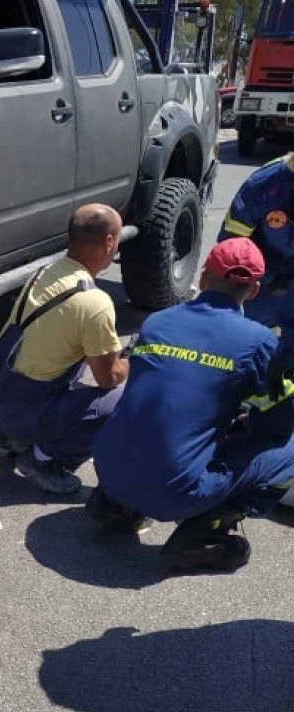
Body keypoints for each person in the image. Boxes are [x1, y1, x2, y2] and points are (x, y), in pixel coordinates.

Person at [90, 238, 294, 573]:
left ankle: (117, 506)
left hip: (109, 469)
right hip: (171, 493)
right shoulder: (259, 342)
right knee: (287, 450)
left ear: (203, 278)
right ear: (254, 291)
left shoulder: (157, 321)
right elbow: (278, 424)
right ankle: (202, 534)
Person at [0, 203, 128, 495]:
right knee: (122, 400)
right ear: (109, 241)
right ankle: (41, 459)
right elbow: (108, 378)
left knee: (67, 357)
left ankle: (15, 436)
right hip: (23, 409)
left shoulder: (45, 272)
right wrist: (131, 361)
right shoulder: (94, 303)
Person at [217, 150, 294, 339]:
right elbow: (231, 250)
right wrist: (264, 279)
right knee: (241, 336)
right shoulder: (263, 187)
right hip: (264, 280)